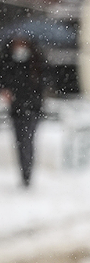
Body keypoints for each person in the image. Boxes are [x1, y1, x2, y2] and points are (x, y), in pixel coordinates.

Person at [0, 36, 46, 187]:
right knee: (21, 142)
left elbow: (41, 85)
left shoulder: (36, 62)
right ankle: (24, 173)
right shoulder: (9, 63)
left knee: (27, 141)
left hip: (32, 109)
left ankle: (27, 173)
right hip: (17, 109)